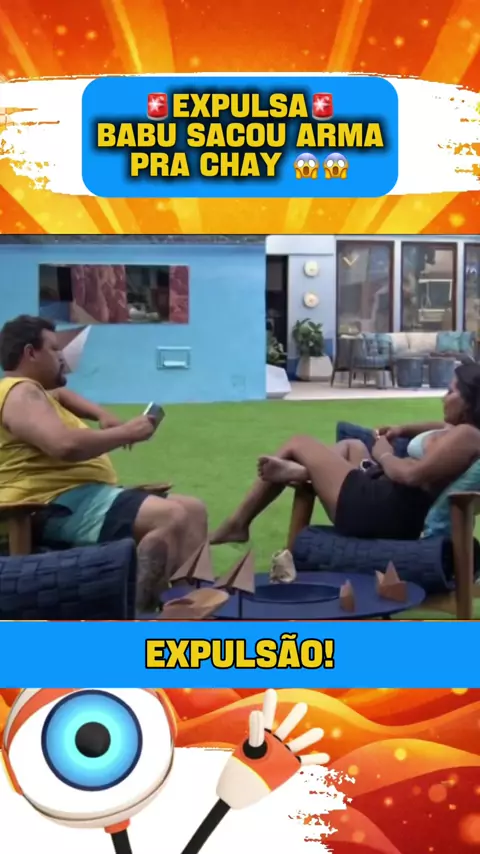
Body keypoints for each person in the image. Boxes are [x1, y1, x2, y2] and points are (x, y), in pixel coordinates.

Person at [0, 315, 209, 613]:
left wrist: (101, 415)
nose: (62, 357)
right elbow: (64, 445)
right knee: (169, 516)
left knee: (194, 510)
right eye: (54, 349)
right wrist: (127, 432)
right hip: (51, 504)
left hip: (78, 497)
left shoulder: (35, 393)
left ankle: (192, 610)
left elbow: (62, 394)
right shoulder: (20, 392)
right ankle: (141, 617)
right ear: (30, 353)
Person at [211, 362, 480, 544]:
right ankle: (305, 473)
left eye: (451, 391)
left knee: (298, 443)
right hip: (388, 498)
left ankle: (238, 523)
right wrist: (402, 429)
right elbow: (440, 427)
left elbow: (411, 476)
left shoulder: (468, 436)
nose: (443, 397)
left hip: (384, 510)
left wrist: (384, 454)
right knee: (353, 446)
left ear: (470, 402)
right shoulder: (460, 430)